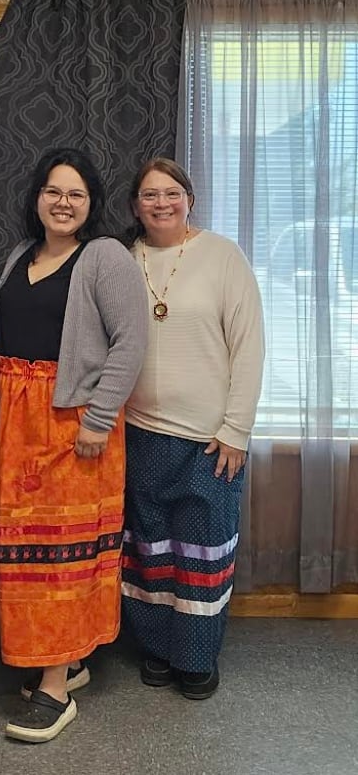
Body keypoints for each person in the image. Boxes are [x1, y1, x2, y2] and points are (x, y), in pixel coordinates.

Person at [0, 147, 149, 743]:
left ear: (91, 205)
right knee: (20, 550)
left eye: (75, 194)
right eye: (53, 191)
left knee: (65, 554)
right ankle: (66, 659)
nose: (63, 203)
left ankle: (54, 689)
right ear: (36, 198)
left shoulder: (104, 256)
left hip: (74, 423)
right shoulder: (17, 256)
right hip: (15, 421)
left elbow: (131, 343)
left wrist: (99, 418)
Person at [120, 157, 264, 700]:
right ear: (135, 206)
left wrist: (236, 429)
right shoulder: (121, 258)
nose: (161, 203)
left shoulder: (223, 256)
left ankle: (197, 656)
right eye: (150, 195)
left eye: (171, 193)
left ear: (189, 199)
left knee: (201, 554)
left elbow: (249, 346)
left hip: (210, 440)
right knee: (151, 551)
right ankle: (157, 649)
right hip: (137, 432)